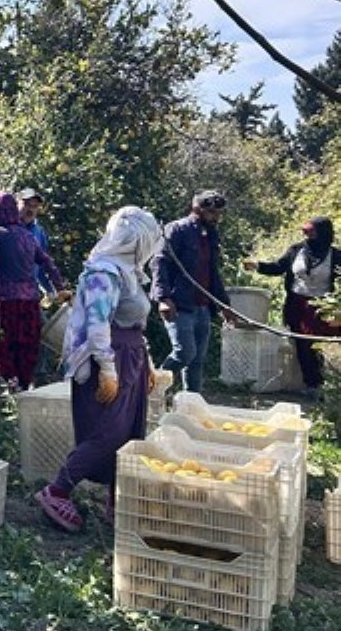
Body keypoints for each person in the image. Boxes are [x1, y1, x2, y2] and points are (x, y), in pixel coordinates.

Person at [35, 207, 164, 533]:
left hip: (130, 355)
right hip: (110, 356)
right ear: (137, 240)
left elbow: (134, 320)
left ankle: (117, 499)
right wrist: (107, 369)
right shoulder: (103, 273)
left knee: (130, 430)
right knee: (108, 433)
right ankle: (58, 490)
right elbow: (96, 325)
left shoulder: (128, 271)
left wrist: (146, 361)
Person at [0, 191, 70, 389]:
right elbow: (48, 264)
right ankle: (24, 387)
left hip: (6, 302)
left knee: (1, 347)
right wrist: (60, 289)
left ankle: (8, 388)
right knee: (27, 346)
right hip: (30, 302)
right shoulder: (28, 236)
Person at [153, 190, 237, 393]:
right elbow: (159, 262)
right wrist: (163, 298)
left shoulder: (211, 234)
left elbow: (212, 273)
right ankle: (152, 388)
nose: (216, 217)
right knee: (185, 354)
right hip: (179, 304)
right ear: (196, 210)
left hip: (202, 307)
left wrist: (224, 306)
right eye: (211, 213)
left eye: (219, 213)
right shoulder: (177, 229)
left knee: (197, 361)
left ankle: (192, 404)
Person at [245, 217, 337, 395]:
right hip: (298, 305)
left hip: (323, 307)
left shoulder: (336, 257)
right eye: (305, 232)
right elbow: (279, 267)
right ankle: (312, 385)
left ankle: (331, 385)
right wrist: (257, 266)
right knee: (303, 344)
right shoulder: (297, 250)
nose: (307, 236)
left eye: (311, 233)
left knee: (325, 345)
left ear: (323, 234)